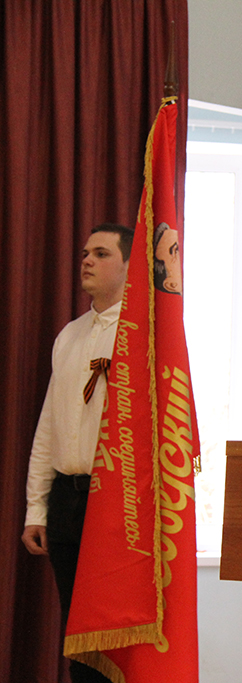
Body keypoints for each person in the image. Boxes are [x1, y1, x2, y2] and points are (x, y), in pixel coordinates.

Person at [22, 223, 134, 683]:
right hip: (67, 500)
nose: (86, 260)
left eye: (101, 253)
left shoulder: (143, 338)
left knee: (116, 636)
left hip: (119, 504)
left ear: (129, 266)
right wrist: (36, 509)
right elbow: (49, 427)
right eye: (86, 252)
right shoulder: (69, 335)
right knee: (78, 636)